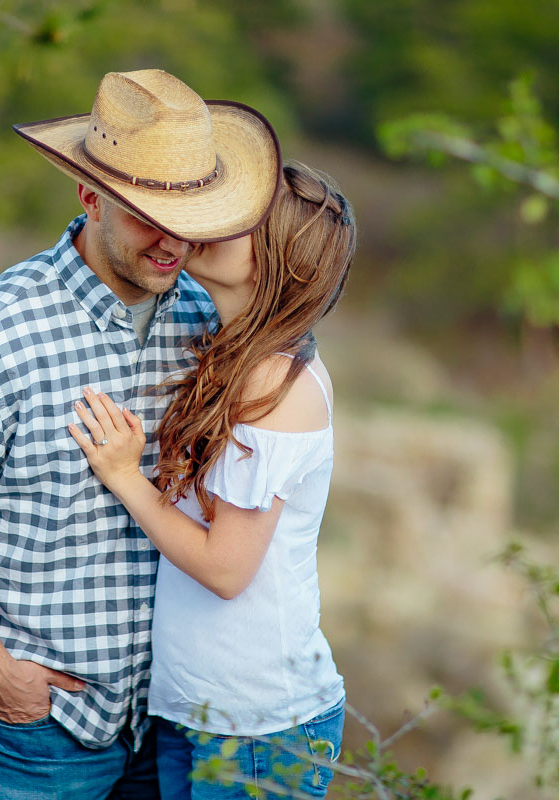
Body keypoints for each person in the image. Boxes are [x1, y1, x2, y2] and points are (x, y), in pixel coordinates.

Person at [0, 68, 282, 799]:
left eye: (189, 215)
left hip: (164, 722)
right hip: (36, 730)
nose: (173, 243)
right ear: (88, 194)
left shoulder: (203, 319)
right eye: (144, 213)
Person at [67, 160, 356, 799]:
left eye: (240, 220)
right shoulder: (229, 349)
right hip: (195, 709)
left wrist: (124, 476)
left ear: (278, 261)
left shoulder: (276, 382)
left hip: (259, 725)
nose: (210, 221)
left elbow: (227, 570)